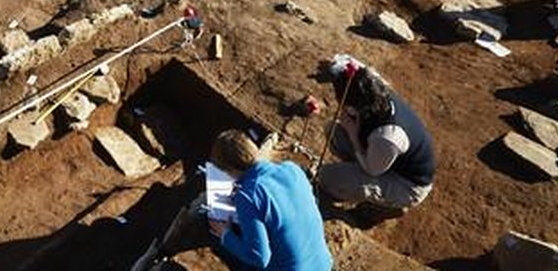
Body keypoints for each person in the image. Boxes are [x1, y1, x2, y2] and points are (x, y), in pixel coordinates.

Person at [133, 130, 332, 271]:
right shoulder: (292, 169)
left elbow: (260, 258)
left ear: (229, 171)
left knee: (222, 239)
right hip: (322, 264)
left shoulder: (248, 196)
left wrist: (225, 233)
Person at [318, 68, 435, 212]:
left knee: (327, 178)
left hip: (407, 185)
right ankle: (355, 172)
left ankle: (384, 203)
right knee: (334, 132)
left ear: (352, 108)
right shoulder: (377, 96)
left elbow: (372, 170)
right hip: (385, 158)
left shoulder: (388, 136)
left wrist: (353, 134)